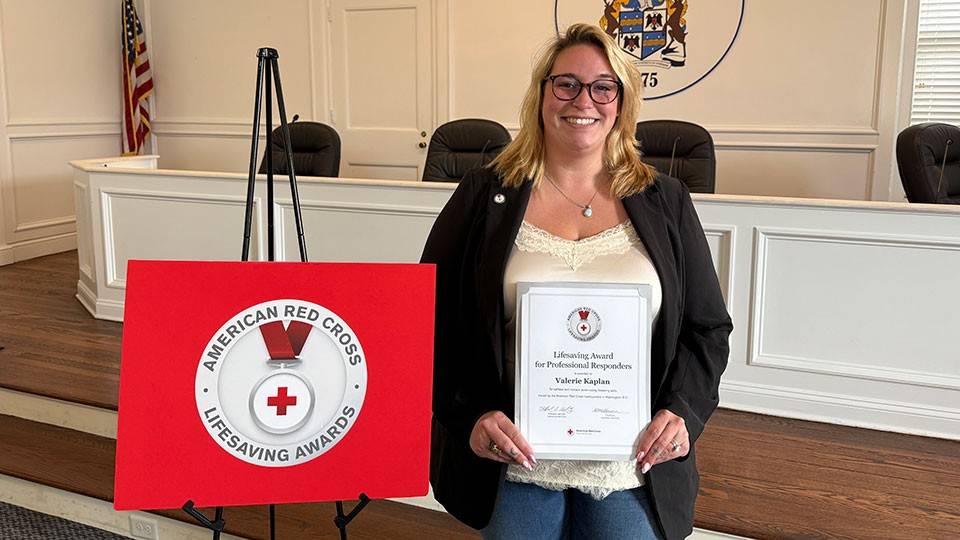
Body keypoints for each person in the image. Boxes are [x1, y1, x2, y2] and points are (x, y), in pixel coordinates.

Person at [420, 23, 732, 540]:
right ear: (542, 93)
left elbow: (707, 328)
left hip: (631, 464)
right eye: (566, 83)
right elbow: (430, 319)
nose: (583, 100)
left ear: (621, 101)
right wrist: (469, 416)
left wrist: (682, 413)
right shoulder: (483, 193)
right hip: (516, 459)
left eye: (602, 86)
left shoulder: (667, 199)